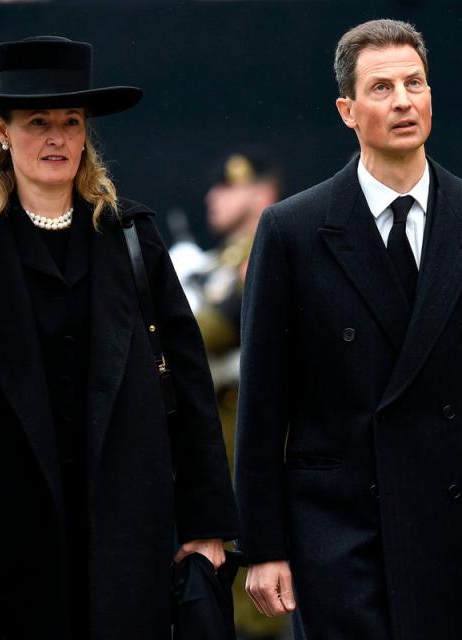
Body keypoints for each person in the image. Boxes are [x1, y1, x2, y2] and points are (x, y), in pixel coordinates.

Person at [234, 19, 462, 639]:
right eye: (381, 88)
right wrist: (263, 542)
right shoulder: (293, 231)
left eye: (415, 83)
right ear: (347, 111)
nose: (404, 101)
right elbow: (263, 402)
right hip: (337, 531)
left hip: (457, 525)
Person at [0, 36, 239, 639]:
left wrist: (205, 526)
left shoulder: (131, 237)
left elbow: (190, 388)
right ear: (2, 131)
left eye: (71, 121)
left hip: (125, 531)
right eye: (37, 121)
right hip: (6, 536)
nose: (57, 137)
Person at [195, 151, 289, 640]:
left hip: (254, 435)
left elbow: (209, 332)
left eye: (229, 187)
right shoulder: (226, 259)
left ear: (263, 194)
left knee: (257, 591)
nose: (214, 197)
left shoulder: (261, 254)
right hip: (225, 434)